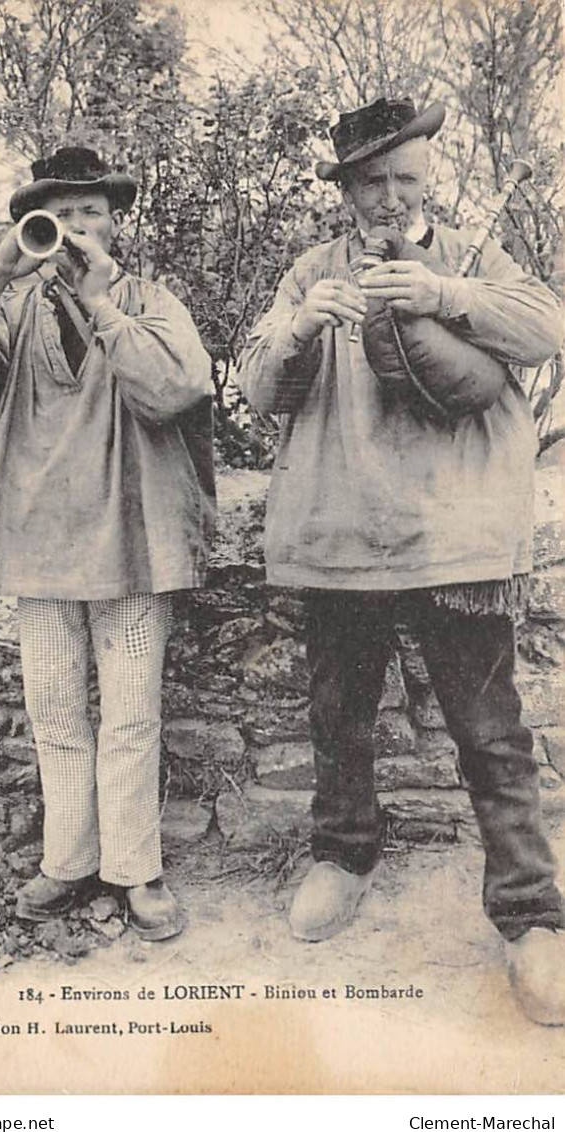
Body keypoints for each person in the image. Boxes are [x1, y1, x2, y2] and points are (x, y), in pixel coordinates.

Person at [237, 98, 565, 1025]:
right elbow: (261, 386)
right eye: (372, 180)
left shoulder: (471, 260)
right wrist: (302, 323)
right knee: (339, 715)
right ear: (345, 191)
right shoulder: (310, 270)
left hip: (455, 535)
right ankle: (343, 858)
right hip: (342, 536)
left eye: (406, 177)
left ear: (429, 178)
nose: (391, 196)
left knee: (491, 733)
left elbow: (548, 328)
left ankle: (531, 914)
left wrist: (441, 294)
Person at [0, 146, 216, 940]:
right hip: (36, 545)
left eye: (91, 213)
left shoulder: (147, 299)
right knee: (54, 713)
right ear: (35, 228)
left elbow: (180, 384)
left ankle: (137, 873)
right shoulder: (5, 309)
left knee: (134, 717)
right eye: (60, 216)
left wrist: (103, 305)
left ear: (115, 223)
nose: (78, 229)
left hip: (133, 539)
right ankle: (67, 864)